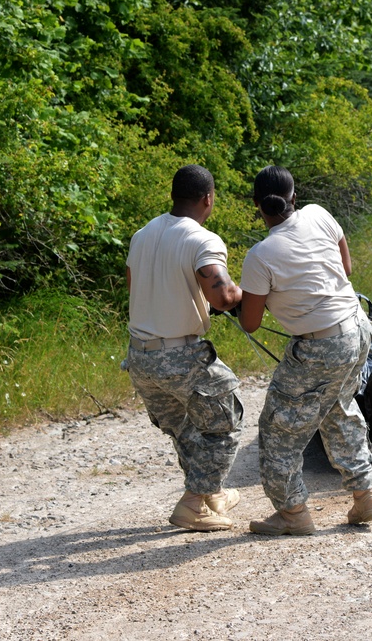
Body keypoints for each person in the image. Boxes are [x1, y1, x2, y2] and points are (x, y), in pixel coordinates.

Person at [239, 166, 372, 536]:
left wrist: (257, 298)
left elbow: (250, 322)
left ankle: (293, 514)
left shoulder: (259, 256)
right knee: (338, 408)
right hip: (357, 328)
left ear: (257, 206)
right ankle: (365, 496)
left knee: (277, 429)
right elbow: (344, 269)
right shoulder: (320, 214)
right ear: (294, 196)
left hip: (321, 345)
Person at [125, 164, 245, 531]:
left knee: (187, 429)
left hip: (140, 356)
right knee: (226, 421)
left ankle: (211, 496)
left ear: (174, 195)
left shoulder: (142, 234)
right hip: (180, 355)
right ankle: (193, 503)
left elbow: (134, 285)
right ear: (208, 199)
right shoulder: (203, 240)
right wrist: (250, 295)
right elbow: (224, 296)